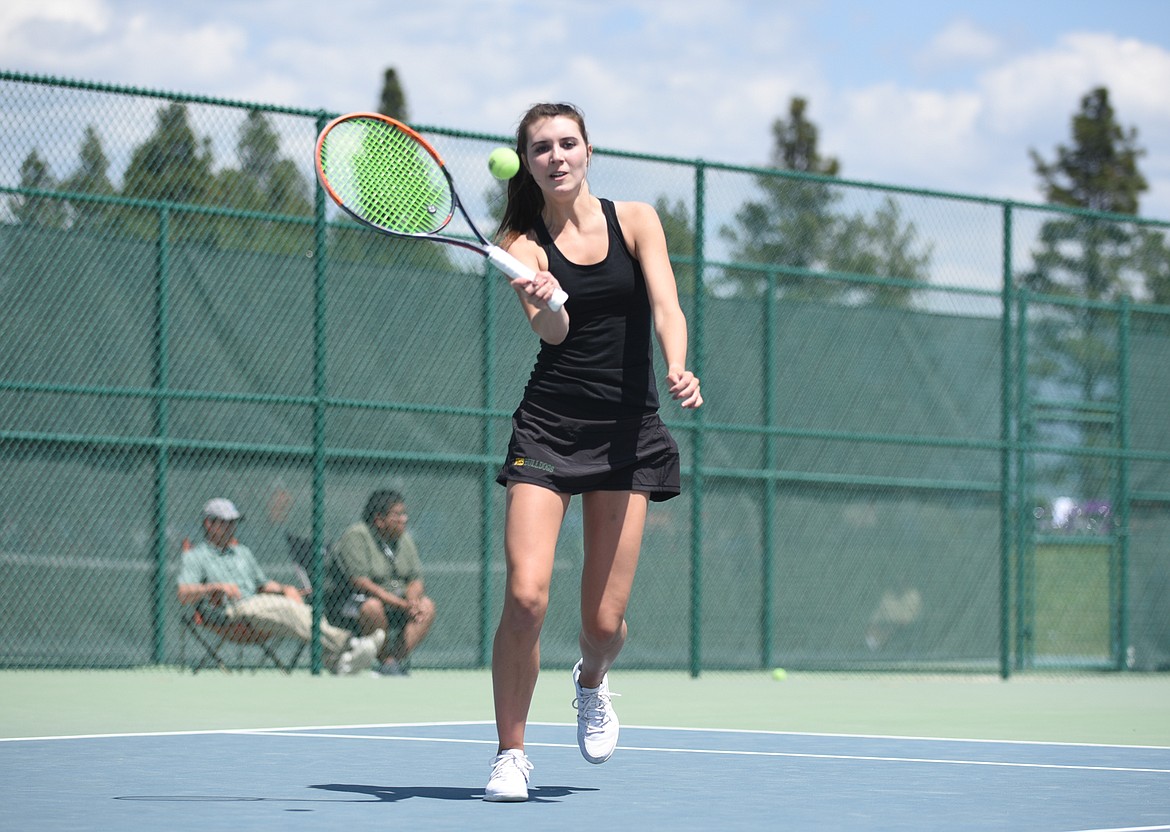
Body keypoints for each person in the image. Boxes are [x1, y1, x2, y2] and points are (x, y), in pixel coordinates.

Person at [483, 103, 703, 802]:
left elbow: (667, 305)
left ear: (587, 149)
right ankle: (511, 754)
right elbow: (552, 333)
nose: (556, 156)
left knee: (603, 624)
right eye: (541, 148)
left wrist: (678, 363)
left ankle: (591, 680)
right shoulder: (521, 242)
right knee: (525, 596)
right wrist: (546, 299)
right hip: (549, 429)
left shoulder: (635, 219)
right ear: (529, 161)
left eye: (566, 143)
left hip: (627, 433)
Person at [177, 498, 384, 675]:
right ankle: (349, 644)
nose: (231, 527)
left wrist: (286, 589)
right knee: (289, 609)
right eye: (225, 523)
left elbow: (264, 584)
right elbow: (184, 594)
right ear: (209, 524)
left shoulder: (243, 553)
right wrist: (216, 587)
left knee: (297, 611)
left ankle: (338, 662)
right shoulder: (196, 556)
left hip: (258, 611)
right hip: (228, 612)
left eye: (234, 523)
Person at [326, 489, 436, 676]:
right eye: (398, 515)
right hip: (350, 602)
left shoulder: (404, 540)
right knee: (372, 607)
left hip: (396, 603)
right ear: (379, 519)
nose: (404, 519)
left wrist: (412, 602)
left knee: (427, 606)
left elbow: (415, 579)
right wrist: (401, 604)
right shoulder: (356, 535)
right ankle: (385, 659)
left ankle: (393, 662)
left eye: (404, 514)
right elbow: (360, 582)